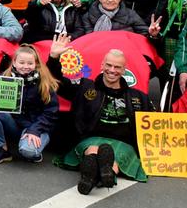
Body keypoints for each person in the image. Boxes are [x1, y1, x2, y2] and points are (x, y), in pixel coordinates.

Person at [49, 35, 156, 193]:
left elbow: (156, 123)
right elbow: (56, 83)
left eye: (117, 67)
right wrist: (53, 58)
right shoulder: (85, 87)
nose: (112, 70)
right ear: (102, 65)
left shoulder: (138, 97)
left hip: (123, 142)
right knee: (93, 148)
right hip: (90, 138)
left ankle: (93, 175)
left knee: (114, 154)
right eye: (109, 65)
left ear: (124, 70)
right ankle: (104, 173)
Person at [0, 43, 59, 164]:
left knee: (28, 152)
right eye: (21, 62)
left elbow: (51, 112)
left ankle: (34, 151)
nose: (25, 66)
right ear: (14, 63)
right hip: (15, 124)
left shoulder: (44, 82)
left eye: (30, 63)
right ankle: (3, 149)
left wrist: (35, 130)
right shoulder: (4, 78)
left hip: (37, 126)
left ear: (36, 64)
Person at [23, 0, 87, 42]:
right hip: (43, 42)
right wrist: (38, 4)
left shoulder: (72, 6)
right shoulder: (39, 3)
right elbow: (29, 17)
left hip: (66, 42)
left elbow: (80, 30)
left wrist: (68, 38)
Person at [82, 0, 150, 35]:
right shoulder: (88, 16)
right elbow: (88, 38)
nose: (110, 0)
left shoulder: (131, 15)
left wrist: (152, 34)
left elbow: (144, 33)